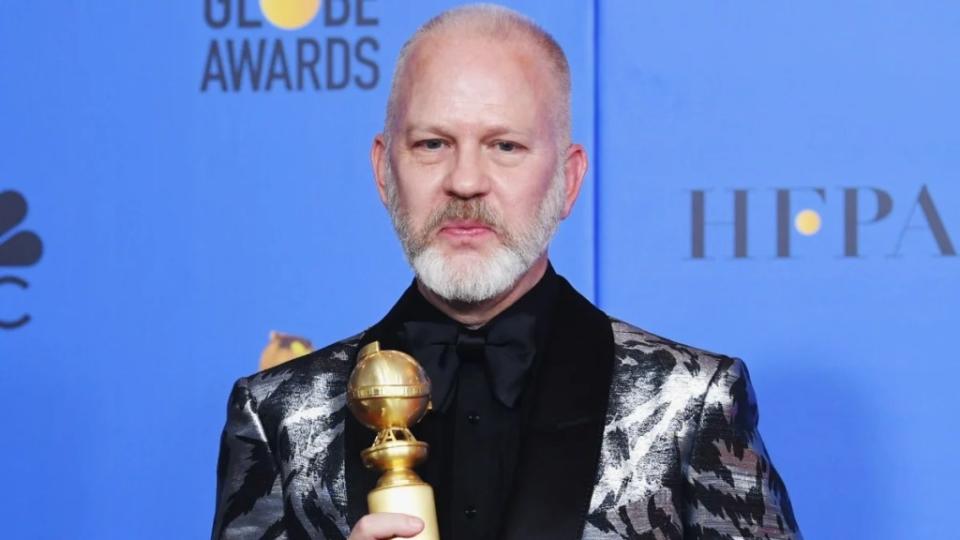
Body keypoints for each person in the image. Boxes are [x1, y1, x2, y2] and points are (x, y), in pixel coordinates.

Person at [211, 5, 801, 540]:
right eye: (433, 144)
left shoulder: (687, 402)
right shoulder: (280, 414)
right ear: (384, 171)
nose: (465, 181)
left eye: (505, 146)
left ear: (567, 180)